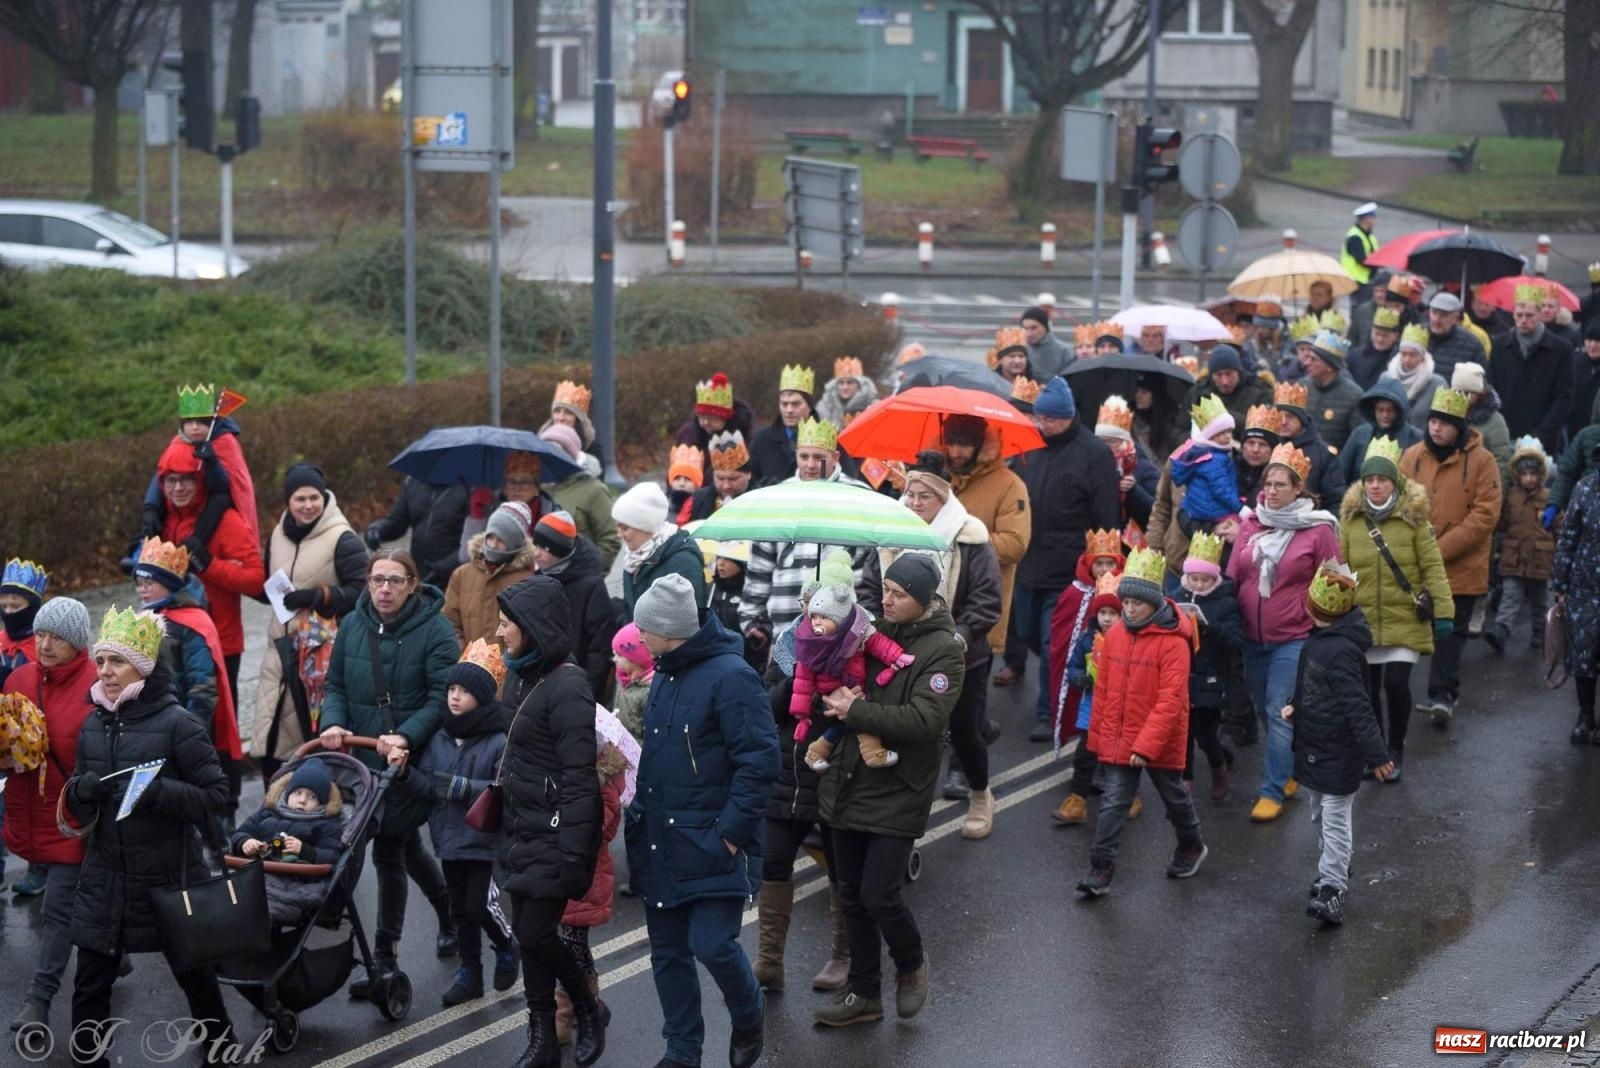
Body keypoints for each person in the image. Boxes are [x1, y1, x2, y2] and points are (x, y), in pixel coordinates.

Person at [65, 606, 237, 1066]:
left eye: (117, 662)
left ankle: (222, 1052)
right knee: (90, 983)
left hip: (167, 875)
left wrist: (159, 793)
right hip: (105, 875)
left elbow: (216, 794)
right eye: (101, 661)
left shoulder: (179, 723)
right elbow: (77, 797)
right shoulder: (93, 723)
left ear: (142, 666)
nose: (105, 671)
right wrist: (80, 792)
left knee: (195, 976)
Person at [625, 572, 777, 1068]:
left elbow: (759, 762)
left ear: (669, 630)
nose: (637, 635)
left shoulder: (732, 677)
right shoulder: (665, 671)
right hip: (661, 838)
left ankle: (748, 1012)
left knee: (711, 944)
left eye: (644, 627)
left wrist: (730, 835)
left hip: (712, 840)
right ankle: (682, 1050)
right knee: (668, 953)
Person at [813, 554, 960, 1027]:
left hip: (899, 784)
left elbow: (924, 719)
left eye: (899, 594)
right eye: (886, 591)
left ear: (923, 599)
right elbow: (834, 677)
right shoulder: (868, 629)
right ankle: (864, 994)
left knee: (880, 894)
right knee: (851, 895)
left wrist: (854, 711)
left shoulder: (944, 650)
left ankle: (911, 962)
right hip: (848, 777)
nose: (887, 600)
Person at [319, 549, 460, 993]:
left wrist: (407, 737)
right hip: (361, 761)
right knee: (406, 846)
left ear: (412, 584)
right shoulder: (352, 624)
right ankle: (449, 914)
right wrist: (332, 723)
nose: (384, 589)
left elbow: (441, 698)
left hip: (406, 761)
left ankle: (385, 957)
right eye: (377, 579)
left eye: (395, 580)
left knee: (390, 850)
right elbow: (336, 685)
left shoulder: (436, 630)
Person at [493, 576, 607, 1068]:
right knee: (528, 935)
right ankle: (541, 1041)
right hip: (521, 827)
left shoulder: (569, 685)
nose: (499, 632)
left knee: (537, 934)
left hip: (556, 832)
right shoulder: (520, 675)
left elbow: (580, 778)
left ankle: (587, 1007)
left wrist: (575, 853)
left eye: (506, 624)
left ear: (533, 627)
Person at [860, 452, 1003, 836]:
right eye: (910, 494)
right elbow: (869, 588)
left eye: (925, 496)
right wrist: (877, 632)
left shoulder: (970, 535)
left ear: (944, 498)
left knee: (963, 732)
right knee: (904, 730)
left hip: (962, 654)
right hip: (898, 652)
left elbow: (987, 600)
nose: (915, 502)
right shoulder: (889, 532)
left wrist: (959, 638)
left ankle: (980, 795)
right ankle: (900, 808)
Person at [1073, 547, 1208, 898]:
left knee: (1173, 795)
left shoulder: (1173, 643)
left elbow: (1171, 700)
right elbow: (1104, 690)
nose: (1130, 609)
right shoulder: (1116, 634)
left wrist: (1146, 746)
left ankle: (1191, 843)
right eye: (1127, 602)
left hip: (1157, 738)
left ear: (1154, 602)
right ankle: (1101, 867)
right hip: (1120, 736)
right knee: (1113, 801)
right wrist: (1097, 738)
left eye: (1137, 603)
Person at [394, 639, 520, 1006]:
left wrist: (466, 787)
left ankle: (505, 943)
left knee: (479, 905)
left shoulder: (497, 739)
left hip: (482, 839)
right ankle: (470, 973)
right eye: (452, 689)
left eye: (464, 691)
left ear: (481, 697)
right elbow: (431, 787)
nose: (454, 697)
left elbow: (505, 787)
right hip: (448, 838)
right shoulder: (439, 737)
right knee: (460, 910)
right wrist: (405, 774)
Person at [1226, 442, 1342, 822]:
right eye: (1268, 484)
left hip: (1293, 637)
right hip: (1250, 637)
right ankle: (1290, 766)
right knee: (1265, 709)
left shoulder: (1318, 529)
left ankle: (1272, 790)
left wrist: (1328, 633)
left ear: (1298, 489)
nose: (1271, 491)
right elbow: (1233, 576)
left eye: (1280, 485)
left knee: (1278, 711)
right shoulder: (1251, 524)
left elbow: (1336, 583)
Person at [1283, 561, 1395, 925]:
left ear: (1313, 607)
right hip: (1315, 746)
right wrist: (1296, 705)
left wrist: (1377, 755)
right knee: (1318, 813)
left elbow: (1358, 705)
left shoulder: (1341, 651)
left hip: (1340, 750)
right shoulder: (1319, 642)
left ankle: (1333, 889)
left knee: (1333, 819)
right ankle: (1334, 866)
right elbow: (1314, 685)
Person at [2, 597, 94, 1032]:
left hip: (74, 820)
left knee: (57, 910)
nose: (45, 644)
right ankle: (116, 952)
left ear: (78, 642)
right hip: (32, 813)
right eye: (40, 634)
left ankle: (38, 1002)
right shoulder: (18, 679)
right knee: (78, 906)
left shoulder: (98, 684)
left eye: (57, 637)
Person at [1337, 437, 1454, 780]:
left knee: (1397, 684)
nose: (1375, 485)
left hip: (1405, 617)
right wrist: (1328, 613)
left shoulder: (1414, 519)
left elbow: (1432, 567)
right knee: (1368, 691)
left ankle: (1396, 748)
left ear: (1394, 482)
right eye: (1370, 479)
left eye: (1382, 479)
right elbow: (1339, 569)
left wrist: (1444, 612)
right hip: (1364, 620)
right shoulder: (1350, 521)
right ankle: (1377, 754)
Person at [1013, 377, 1121, 742]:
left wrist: (1102, 570)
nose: (1042, 425)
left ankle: (1050, 712)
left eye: (1050, 419)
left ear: (1068, 416)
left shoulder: (1094, 454)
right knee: (1026, 632)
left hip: (1068, 571)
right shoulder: (1028, 447)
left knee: (1052, 643)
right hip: (1028, 564)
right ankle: (1054, 693)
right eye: (1039, 418)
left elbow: (1106, 517)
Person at [252, 463, 368, 779]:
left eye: (314, 497)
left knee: (313, 743)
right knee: (270, 744)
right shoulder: (277, 535)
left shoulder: (343, 538)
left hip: (320, 655)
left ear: (325, 497)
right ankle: (274, 804)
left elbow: (364, 592)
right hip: (278, 651)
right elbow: (269, 585)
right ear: (288, 501)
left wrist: (318, 596)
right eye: (300, 499)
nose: (308, 505)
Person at [1399, 388, 1502, 726]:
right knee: (1410, 626)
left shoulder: (1483, 461)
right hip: (1416, 561)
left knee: (1451, 632)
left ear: (1459, 427)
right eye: (1433, 421)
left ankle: (1442, 695)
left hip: (1462, 565)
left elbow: (1485, 515)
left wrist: (1439, 549)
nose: (1436, 428)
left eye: (1444, 423)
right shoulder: (1412, 456)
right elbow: (1399, 501)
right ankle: (1397, 693)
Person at [133, 539, 244, 832]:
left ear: (170, 584)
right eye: (139, 583)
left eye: (149, 582)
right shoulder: (142, 620)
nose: (142, 589)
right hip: (152, 723)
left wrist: (193, 727)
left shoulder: (192, 623)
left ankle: (218, 840)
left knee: (194, 793)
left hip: (184, 722)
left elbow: (202, 683)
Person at [740, 418, 869, 652]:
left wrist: (864, 621)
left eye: (818, 457)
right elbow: (760, 562)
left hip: (841, 628)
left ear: (835, 458)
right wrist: (751, 617)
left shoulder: (858, 497)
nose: (810, 464)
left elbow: (866, 569)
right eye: (804, 456)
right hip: (785, 626)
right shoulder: (778, 497)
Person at [156, 436, 266, 710]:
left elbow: (255, 580)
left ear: (201, 481)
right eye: (171, 480)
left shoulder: (226, 521)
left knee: (218, 723)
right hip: (171, 641)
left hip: (220, 641)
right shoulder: (163, 521)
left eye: (187, 480)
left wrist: (210, 566)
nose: (178, 488)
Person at [551, 708, 631, 1048]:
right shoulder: (567, 774)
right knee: (566, 943)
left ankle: (569, 1011)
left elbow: (596, 831)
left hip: (586, 873)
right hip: (560, 869)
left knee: (572, 943)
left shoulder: (604, 784)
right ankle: (589, 1006)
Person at [942, 416, 1031, 689]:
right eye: (950, 443)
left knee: (971, 697)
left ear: (981, 445)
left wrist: (959, 538)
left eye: (964, 445)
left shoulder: (1010, 485)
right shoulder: (937, 478)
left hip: (978, 607)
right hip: (936, 603)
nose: (955, 452)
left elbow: (1014, 544)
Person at [1046, 533, 1127, 825]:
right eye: (1102, 612)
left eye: (1110, 563)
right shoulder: (1087, 636)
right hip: (1092, 707)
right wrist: (1079, 678)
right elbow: (1071, 662)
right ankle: (1077, 800)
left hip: (1122, 708)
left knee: (1121, 755)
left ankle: (1130, 797)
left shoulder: (1131, 636)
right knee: (1085, 755)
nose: (1104, 569)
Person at [796, 583, 913, 772]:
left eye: (824, 617)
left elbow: (879, 644)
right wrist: (801, 713)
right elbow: (802, 680)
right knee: (859, 712)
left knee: (850, 719)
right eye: (814, 617)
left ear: (841, 619)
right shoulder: (811, 644)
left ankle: (816, 751)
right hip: (831, 690)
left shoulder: (858, 633)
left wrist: (897, 656)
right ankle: (873, 752)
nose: (817, 622)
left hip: (854, 684)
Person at [139, 383, 260, 559]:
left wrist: (212, 463)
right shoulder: (179, 441)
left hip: (213, 511)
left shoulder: (225, 442)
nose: (194, 428)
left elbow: (226, 488)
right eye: (189, 422)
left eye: (201, 422)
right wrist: (151, 507)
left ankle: (195, 542)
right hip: (182, 512)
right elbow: (162, 474)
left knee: (220, 499)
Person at [230, 759, 344, 925]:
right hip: (257, 876)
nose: (302, 800)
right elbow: (241, 833)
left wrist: (305, 850)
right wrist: (245, 842)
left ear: (322, 802)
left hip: (294, 884)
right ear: (287, 792)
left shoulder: (326, 825)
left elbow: (332, 855)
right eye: (298, 793)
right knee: (227, 904)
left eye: (312, 797)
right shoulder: (267, 813)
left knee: (255, 917)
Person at [1176, 532, 1243, 803]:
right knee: (1183, 736)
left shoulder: (1226, 604)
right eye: (1194, 578)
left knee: (1205, 735)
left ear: (1215, 579)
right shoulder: (1175, 597)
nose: (1199, 584)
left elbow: (1235, 641)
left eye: (1205, 579)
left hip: (1211, 678)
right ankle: (1185, 785)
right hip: (1182, 677)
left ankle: (1219, 769)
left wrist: (1210, 629)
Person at [530, 510, 616, 699]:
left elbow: (599, 646)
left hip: (575, 685)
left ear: (560, 550)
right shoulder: (538, 578)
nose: (536, 553)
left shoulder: (590, 585)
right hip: (538, 681)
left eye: (544, 548)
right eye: (535, 545)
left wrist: (587, 689)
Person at [1489, 283, 1574, 455]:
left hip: (1543, 436)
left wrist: (1542, 434)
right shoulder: (1500, 345)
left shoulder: (1561, 349)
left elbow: (1564, 397)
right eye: (1519, 315)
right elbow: (1491, 388)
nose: (1523, 320)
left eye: (1529, 315)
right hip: (1505, 432)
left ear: (1540, 315)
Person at [1488, 437, 1554, 654]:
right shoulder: (1511, 497)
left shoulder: (1548, 498)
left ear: (1540, 474)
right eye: (1524, 474)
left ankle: (1540, 633)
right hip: (1513, 557)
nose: (1528, 479)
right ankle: (1501, 630)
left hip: (1540, 559)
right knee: (1510, 596)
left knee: (1539, 602)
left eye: (1533, 474)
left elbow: (1559, 527)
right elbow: (1503, 522)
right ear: (1517, 475)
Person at [1553, 441, 1600, 743]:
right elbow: (1568, 538)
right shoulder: (1585, 488)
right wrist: (1560, 584)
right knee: (1583, 655)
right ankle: (1586, 715)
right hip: (1585, 587)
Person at [445, 501, 536, 648]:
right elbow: (449, 623)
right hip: (468, 660)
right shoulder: (462, 575)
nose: (493, 545)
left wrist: (507, 660)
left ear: (515, 544)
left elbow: (530, 634)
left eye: (501, 541)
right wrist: (465, 654)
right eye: (491, 537)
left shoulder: (528, 582)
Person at [615, 481, 709, 620]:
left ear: (645, 526)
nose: (619, 534)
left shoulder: (683, 561)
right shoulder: (634, 557)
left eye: (624, 528)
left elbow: (686, 620)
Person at [366, 476, 472, 590]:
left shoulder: (471, 486)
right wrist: (377, 529)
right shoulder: (414, 482)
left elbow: (475, 539)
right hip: (419, 570)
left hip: (456, 574)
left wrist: (443, 568)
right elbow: (398, 521)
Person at [541, 423, 620, 569]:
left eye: (555, 453)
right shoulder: (541, 488)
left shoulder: (594, 490)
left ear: (569, 456)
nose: (549, 459)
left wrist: (591, 572)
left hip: (580, 576)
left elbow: (611, 539)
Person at [1340, 375, 1426, 486]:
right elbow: (1341, 474)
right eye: (1380, 410)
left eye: (1390, 410)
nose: (1385, 415)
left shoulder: (1416, 438)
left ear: (1399, 411)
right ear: (1373, 411)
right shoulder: (1360, 434)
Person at [1273, 381, 1346, 509]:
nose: (1283, 422)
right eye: (1279, 416)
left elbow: (1335, 499)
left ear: (1302, 420)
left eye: (1289, 417)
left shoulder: (1324, 454)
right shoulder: (1269, 446)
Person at [1170, 395, 1240, 528]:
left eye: (1229, 431)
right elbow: (1221, 489)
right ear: (1210, 435)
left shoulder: (1201, 454)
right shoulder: (1214, 458)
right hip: (1213, 512)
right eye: (1221, 433)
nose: (1227, 436)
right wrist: (1240, 508)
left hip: (1194, 511)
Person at [675, 372, 757, 483]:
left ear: (725, 418)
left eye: (712, 419)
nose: (706, 423)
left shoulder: (743, 437)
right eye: (701, 417)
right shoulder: (687, 434)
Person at [1095, 395, 1161, 531]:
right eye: (1101, 441)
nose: (1105, 447)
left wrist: (1133, 490)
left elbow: (1157, 513)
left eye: (1111, 441)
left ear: (1124, 441)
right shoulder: (1091, 465)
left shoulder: (1144, 468)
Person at [751, 364, 818, 487]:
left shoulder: (829, 440)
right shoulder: (760, 440)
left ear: (810, 406)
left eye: (795, 404)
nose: (789, 410)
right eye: (784, 404)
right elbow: (751, 480)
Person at [1298, 329, 1363, 451]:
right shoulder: (1301, 387)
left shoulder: (1354, 396)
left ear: (1329, 366)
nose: (1307, 363)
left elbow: (1358, 440)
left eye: (1314, 359)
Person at [1451, 361, 1514, 487]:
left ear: (1479, 393)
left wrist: (1497, 494)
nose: (1462, 398)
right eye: (1457, 392)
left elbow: (1502, 462)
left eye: (1467, 393)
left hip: (1480, 487)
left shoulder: (1495, 421)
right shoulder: (1447, 416)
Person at [1184, 344, 1273, 428]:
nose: (1225, 382)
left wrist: (1226, 417)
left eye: (1229, 374)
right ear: (1211, 376)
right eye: (1219, 375)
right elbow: (1181, 429)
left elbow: (1266, 427)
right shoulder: (1196, 393)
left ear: (1238, 372)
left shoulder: (1260, 392)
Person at [1383, 324, 1448, 430]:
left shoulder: (1437, 383)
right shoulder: (1386, 378)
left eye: (1413, 355)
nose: (1407, 359)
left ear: (1422, 357)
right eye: (1404, 354)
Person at [540, 379, 605, 477]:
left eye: (568, 413)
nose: (561, 418)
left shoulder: (592, 449)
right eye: (557, 411)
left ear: (578, 419)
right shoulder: (540, 441)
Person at [0, 557, 45, 691]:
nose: (8, 612)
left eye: (15, 606)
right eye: (4, 606)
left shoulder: (46, 646)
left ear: (33, 607)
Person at [691, 430, 755, 520]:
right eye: (720, 478)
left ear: (748, 474)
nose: (726, 486)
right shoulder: (697, 500)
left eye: (733, 479)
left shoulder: (762, 502)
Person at [1425, 291, 1488, 382]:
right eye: (1434, 313)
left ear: (1455, 318)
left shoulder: (1471, 344)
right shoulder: (1419, 335)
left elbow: (1482, 379)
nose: (1437, 319)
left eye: (1443, 315)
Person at [609, 622, 653, 740]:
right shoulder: (621, 678)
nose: (614, 659)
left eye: (619, 655)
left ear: (636, 659)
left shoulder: (649, 690)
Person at [816, 357, 880, 429]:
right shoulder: (825, 406)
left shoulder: (875, 406)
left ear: (859, 385)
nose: (845, 387)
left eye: (850, 383)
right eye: (841, 383)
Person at [1347, 306, 1402, 390]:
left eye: (1385, 336)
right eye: (1377, 334)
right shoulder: (1354, 356)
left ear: (1396, 336)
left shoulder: (1398, 360)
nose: (1380, 339)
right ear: (1371, 332)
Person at [1021, 306, 1074, 378]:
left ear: (1045, 327)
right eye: (1026, 328)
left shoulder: (1064, 351)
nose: (1029, 333)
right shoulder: (1020, 350)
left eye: (1034, 328)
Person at [1342, 203, 1380, 302]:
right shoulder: (1355, 237)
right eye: (1373, 216)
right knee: (1361, 308)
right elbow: (1362, 260)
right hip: (1358, 281)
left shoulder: (1369, 236)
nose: (1375, 219)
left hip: (1367, 280)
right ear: (1366, 219)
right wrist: (1379, 263)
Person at [1570, 320, 1600, 443]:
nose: (1593, 345)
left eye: (1598, 341)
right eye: (1589, 340)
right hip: (1573, 428)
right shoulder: (1574, 363)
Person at [1243, 298, 1290, 375]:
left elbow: (1289, 360)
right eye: (1258, 327)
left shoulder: (1286, 341)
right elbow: (1247, 362)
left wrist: (1281, 362)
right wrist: (1257, 365)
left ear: (1273, 328)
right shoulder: (1251, 343)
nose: (1260, 330)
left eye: (1264, 327)